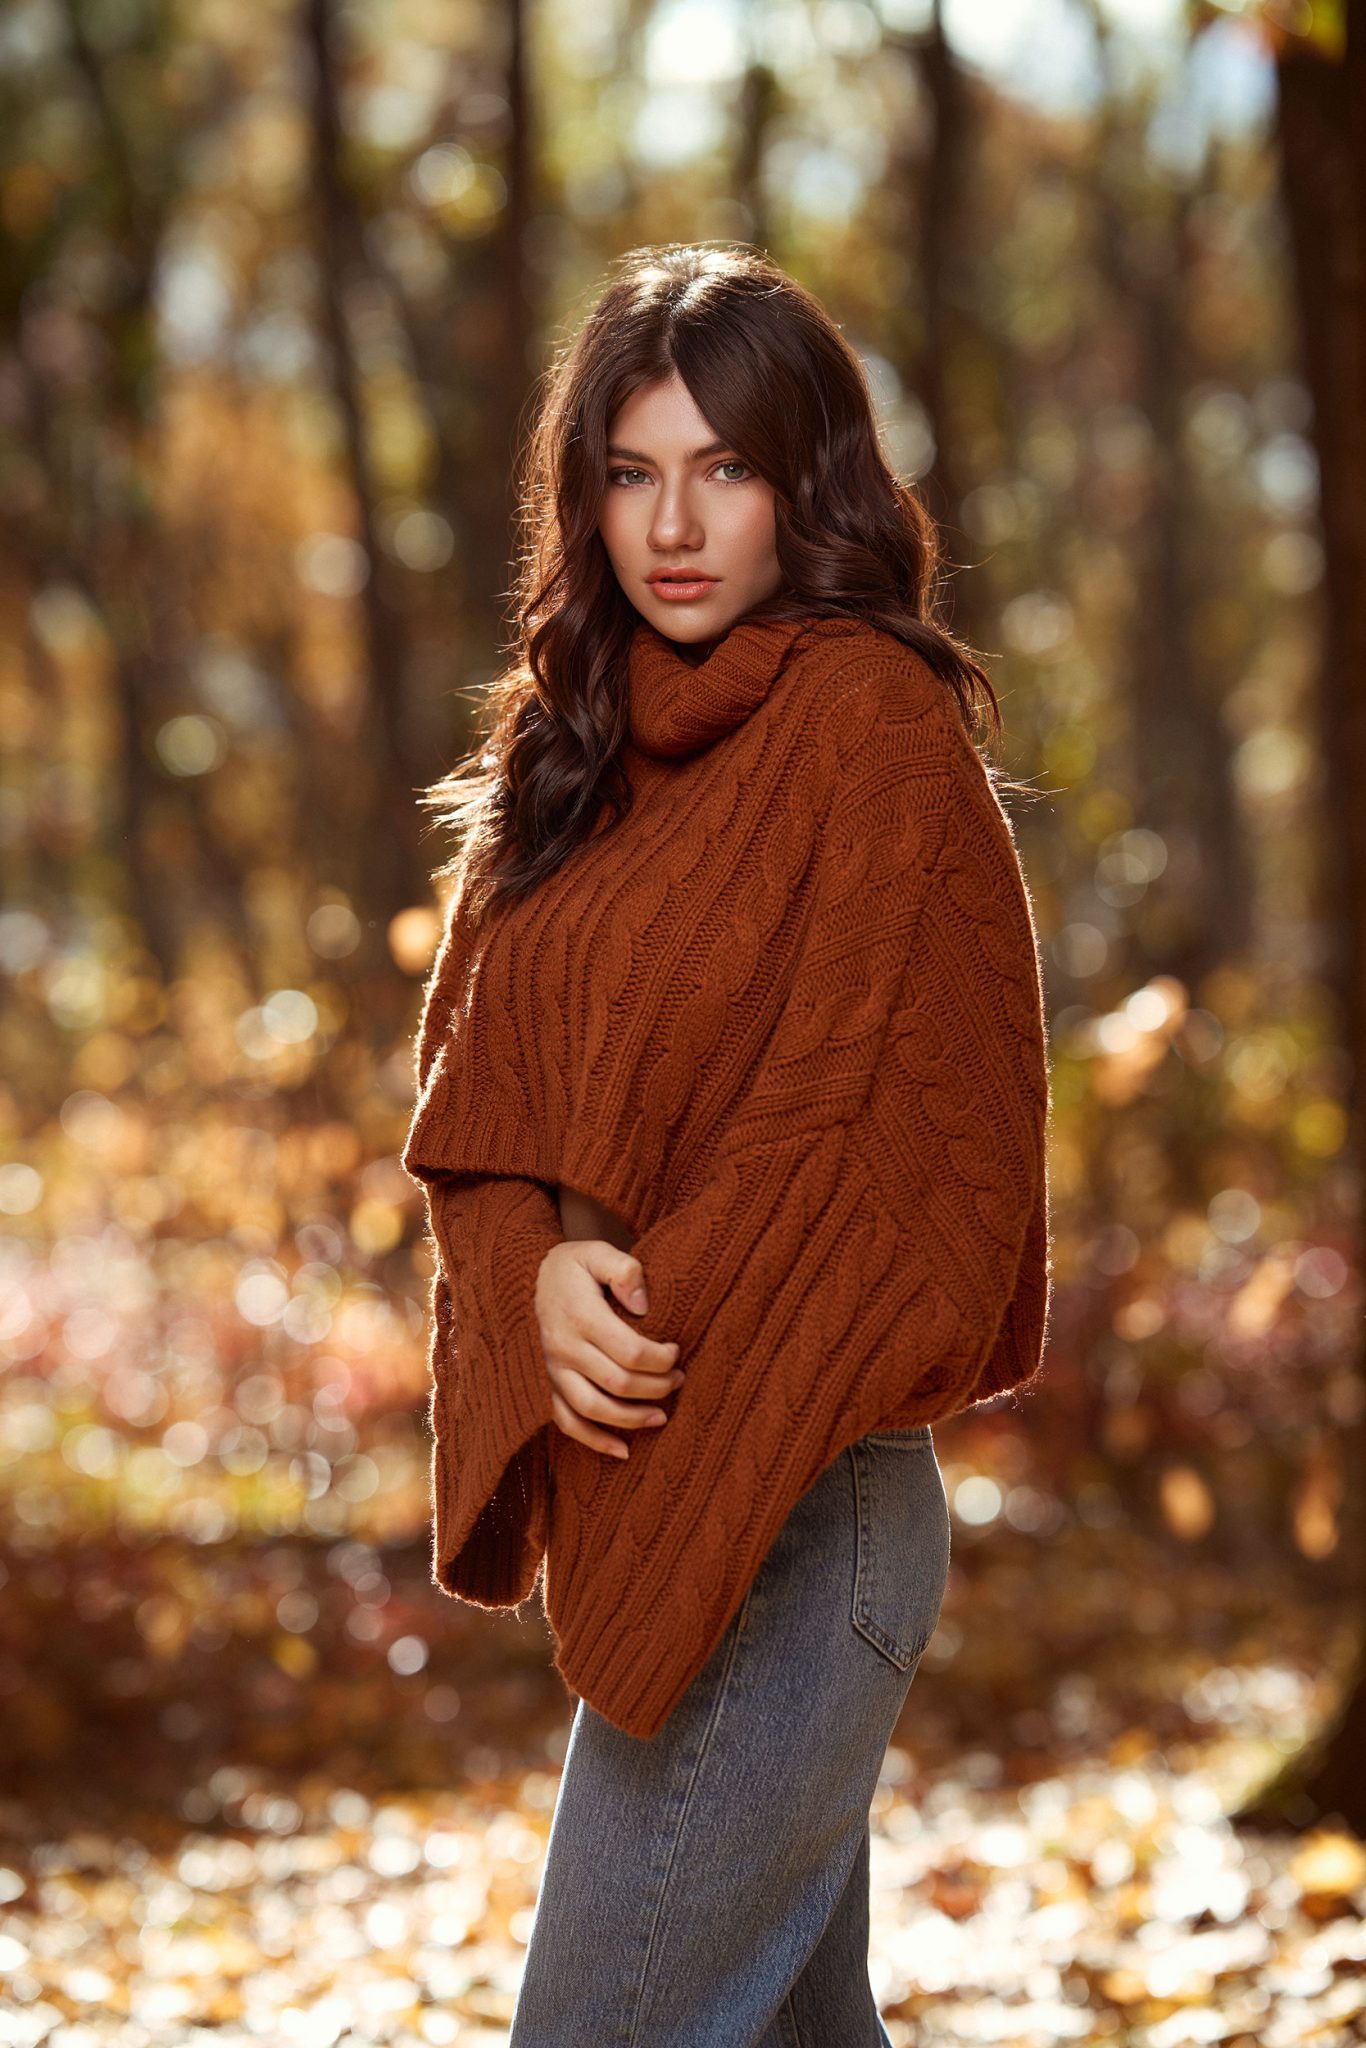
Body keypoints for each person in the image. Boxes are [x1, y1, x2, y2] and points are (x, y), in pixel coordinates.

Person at [401, 242, 1053, 2045]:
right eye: (631, 471)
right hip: (659, 1484)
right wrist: (531, 1282)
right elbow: (472, 1110)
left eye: (726, 468)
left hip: (801, 1502)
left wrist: (645, 1315)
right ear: (584, 496)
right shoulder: (568, 748)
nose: (672, 524)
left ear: (805, 482)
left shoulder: (873, 725)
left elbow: (862, 1128)